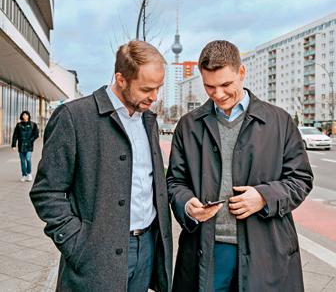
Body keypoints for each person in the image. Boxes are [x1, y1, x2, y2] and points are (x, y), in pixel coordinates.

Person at [167, 40, 313, 292]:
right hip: (207, 249)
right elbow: (175, 182)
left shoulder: (279, 121)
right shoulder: (188, 125)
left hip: (265, 250)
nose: (218, 94)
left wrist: (264, 197)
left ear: (241, 73)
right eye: (209, 87)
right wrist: (187, 204)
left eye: (226, 85)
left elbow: (301, 179)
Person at [30, 40, 172, 292]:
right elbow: (46, 192)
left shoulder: (148, 120)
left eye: (158, 88)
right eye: (147, 89)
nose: (154, 97)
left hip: (147, 248)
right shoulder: (74, 117)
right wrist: (77, 243)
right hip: (95, 255)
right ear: (121, 79)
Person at [11, 110, 39, 182]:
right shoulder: (19, 125)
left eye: (26, 115)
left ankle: (29, 174)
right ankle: (24, 175)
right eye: (23, 115)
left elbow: (36, 134)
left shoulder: (33, 125)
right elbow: (15, 135)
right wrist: (13, 145)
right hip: (21, 145)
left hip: (29, 145)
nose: (25, 116)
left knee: (28, 159)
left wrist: (31, 140)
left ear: (28, 116)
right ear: (22, 116)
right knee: (22, 161)